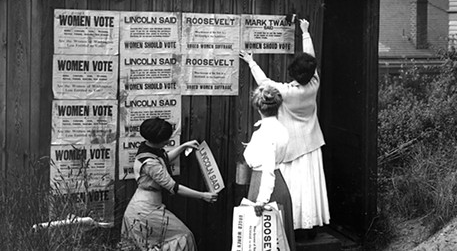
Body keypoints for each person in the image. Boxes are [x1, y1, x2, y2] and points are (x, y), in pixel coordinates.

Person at [240, 18, 330, 239]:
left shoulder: (287, 92)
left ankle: (293, 227)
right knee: (310, 188)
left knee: (294, 189)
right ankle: (311, 227)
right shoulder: (314, 83)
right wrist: (305, 32)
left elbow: (264, 82)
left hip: (291, 148)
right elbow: (312, 59)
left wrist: (251, 62)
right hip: (311, 144)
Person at [122, 117, 219, 251]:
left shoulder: (147, 148)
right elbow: (174, 187)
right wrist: (203, 195)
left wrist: (183, 146)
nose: (168, 141)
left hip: (146, 207)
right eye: (166, 139)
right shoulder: (150, 164)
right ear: (158, 141)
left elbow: (164, 159)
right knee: (183, 236)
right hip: (145, 211)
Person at [243, 84, 296, 251]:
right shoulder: (281, 129)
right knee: (277, 240)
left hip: (264, 186)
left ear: (259, 108)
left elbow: (267, 168)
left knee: (262, 239)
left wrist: (261, 200)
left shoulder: (263, 133)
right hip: (279, 182)